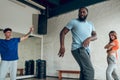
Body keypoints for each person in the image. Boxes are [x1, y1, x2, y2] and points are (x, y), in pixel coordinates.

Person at [58, 7, 97, 80]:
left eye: (84, 12)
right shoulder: (73, 22)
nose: (82, 13)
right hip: (78, 48)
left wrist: (89, 38)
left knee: (84, 70)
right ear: (78, 13)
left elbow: (95, 36)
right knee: (90, 70)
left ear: (87, 13)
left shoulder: (90, 24)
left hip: (87, 50)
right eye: (80, 12)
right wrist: (62, 46)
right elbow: (62, 32)